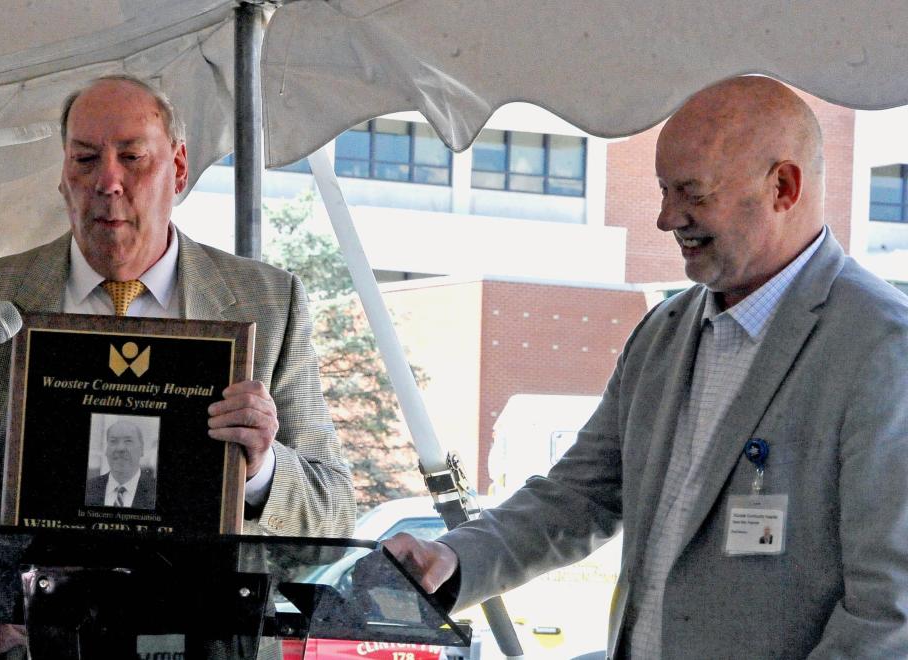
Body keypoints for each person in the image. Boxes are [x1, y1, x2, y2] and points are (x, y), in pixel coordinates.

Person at [385, 76, 908, 658]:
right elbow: (579, 496)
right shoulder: (664, 331)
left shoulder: (884, 347)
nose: (666, 219)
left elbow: (890, 613)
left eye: (693, 193)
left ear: (783, 186)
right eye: (663, 190)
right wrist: (456, 557)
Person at [0, 74, 356, 656]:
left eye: (132, 158)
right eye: (85, 159)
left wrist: (261, 468)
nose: (107, 182)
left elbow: (335, 519)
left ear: (179, 170)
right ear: (63, 177)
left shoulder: (267, 303)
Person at [84, 420, 157, 509]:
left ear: (141, 450)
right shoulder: (89, 488)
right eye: (113, 441)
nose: (120, 448)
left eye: (128, 441)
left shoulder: (154, 490)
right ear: (106, 450)